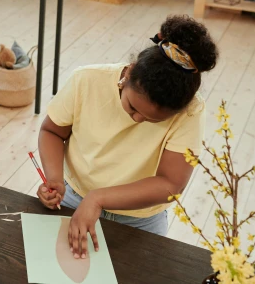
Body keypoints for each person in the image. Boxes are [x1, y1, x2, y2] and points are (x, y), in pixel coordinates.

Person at [36, 14, 218, 259]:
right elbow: (52, 132)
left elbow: (170, 183)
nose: (137, 120)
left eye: (154, 120)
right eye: (132, 107)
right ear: (129, 73)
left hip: (142, 219)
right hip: (73, 198)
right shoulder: (86, 80)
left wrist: (98, 199)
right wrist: (55, 178)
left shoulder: (191, 111)